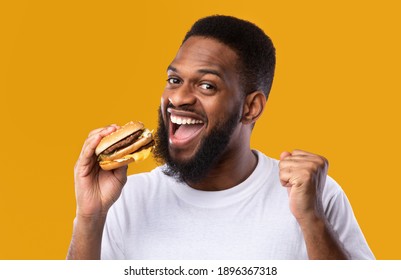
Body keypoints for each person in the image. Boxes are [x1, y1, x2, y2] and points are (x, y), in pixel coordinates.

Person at [67, 15, 374, 260]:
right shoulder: (128, 199)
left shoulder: (314, 196)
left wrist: (312, 220)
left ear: (251, 107)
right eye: (174, 80)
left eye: (207, 86)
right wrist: (90, 217)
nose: (179, 98)